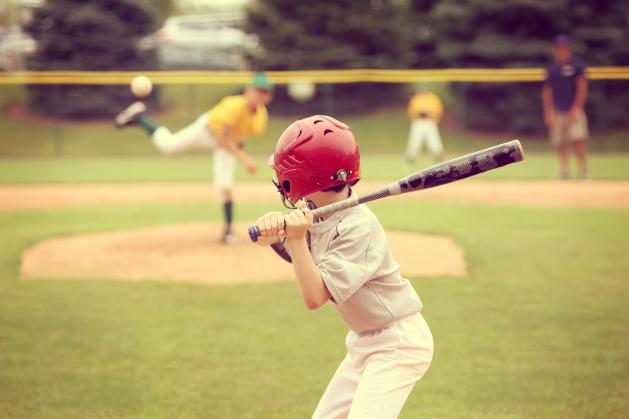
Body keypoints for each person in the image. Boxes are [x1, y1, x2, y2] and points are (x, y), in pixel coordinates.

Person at [254, 115, 434, 418]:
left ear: (307, 177)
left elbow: (315, 296)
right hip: (364, 340)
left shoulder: (358, 226)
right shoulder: (316, 210)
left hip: (397, 344)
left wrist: (296, 238)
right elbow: (303, 260)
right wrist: (275, 238)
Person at [114, 72, 274, 244]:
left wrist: (239, 150)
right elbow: (223, 139)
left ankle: (228, 232)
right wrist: (244, 159)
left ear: (269, 97)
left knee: (225, 185)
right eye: (257, 90)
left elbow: (239, 136)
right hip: (207, 131)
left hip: (227, 143)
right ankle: (140, 118)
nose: (260, 95)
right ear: (248, 90)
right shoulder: (234, 105)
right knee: (169, 146)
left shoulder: (261, 116)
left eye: (264, 92)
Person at [542, 35, 589, 179]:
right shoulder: (551, 68)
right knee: (560, 142)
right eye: (559, 48)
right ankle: (564, 171)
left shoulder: (577, 65)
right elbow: (547, 91)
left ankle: (583, 170)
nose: (561, 51)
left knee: (577, 140)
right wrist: (548, 111)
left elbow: (582, 87)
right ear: (555, 49)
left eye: (564, 48)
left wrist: (577, 108)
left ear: (568, 49)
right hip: (557, 111)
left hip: (573, 110)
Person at [405, 86, 444, 165]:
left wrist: (430, 113)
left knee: (434, 142)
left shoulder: (433, 98)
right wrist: (419, 113)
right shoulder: (416, 98)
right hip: (418, 122)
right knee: (414, 142)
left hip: (430, 122)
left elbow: (439, 110)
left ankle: (438, 159)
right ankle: (410, 160)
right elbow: (411, 110)